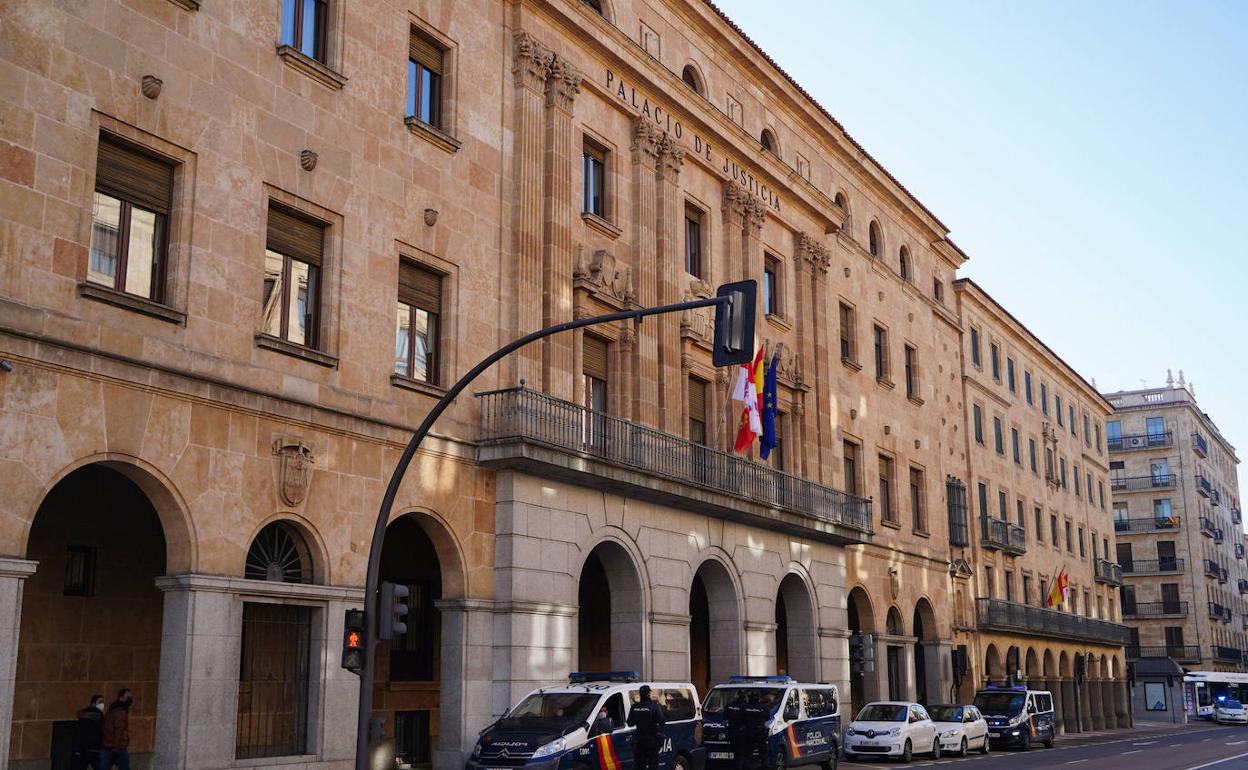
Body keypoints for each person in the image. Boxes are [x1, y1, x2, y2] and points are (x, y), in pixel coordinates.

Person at [627, 685, 666, 770]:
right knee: (653, 766)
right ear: (648, 694)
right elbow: (662, 722)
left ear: (640, 694)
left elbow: (630, 723)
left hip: (639, 743)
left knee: (640, 767)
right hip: (652, 743)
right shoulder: (654, 706)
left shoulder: (634, 707)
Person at [99, 689, 133, 770]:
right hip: (117, 748)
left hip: (106, 746)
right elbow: (119, 730)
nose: (130, 698)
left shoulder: (111, 709)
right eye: (128, 696)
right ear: (121, 698)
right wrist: (116, 748)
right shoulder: (121, 711)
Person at [71, 694, 105, 770]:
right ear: (93, 703)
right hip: (95, 748)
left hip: (83, 748)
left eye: (102, 702)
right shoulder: (99, 716)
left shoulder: (82, 715)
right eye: (100, 702)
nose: (102, 704)